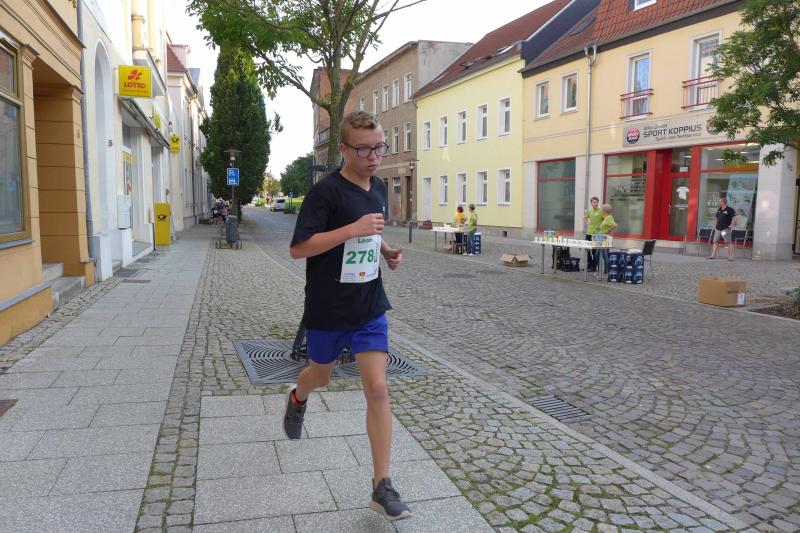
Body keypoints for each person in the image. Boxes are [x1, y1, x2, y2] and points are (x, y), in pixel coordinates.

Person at [286, 110, 410, 521]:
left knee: (378, 389)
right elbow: (298, 248)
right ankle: (298, 397)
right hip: (328, 307)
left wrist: (385, 251)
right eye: (364, 150)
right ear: (343, 149)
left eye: (379, 147)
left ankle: (382, 485)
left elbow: (371, 233)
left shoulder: (378, 187)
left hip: (368, 306)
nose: (374, 157)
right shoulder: (325, 193)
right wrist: (351, 230)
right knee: (319, 376)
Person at [584, 196, 603, 271]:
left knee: (594, 251)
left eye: (596, 202)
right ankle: (590, 264)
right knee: (587, 249)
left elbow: (605, 219)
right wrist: (586, 223)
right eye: (594, 202)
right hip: (589, 233)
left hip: (596, 234)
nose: (595, 203)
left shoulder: (601, 211)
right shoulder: (590, 211)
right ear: (591, 203)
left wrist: (601, 226)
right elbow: (585, 217)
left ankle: (594, 266)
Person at [598, 204, 618, 270]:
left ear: (604, 210)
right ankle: (605, 269)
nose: (601, 210)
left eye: (602, 209)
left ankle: (606, 270)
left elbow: (615, 225)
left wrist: (607, 231)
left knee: (604, 254)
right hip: (601, 238)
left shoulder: (608, 218)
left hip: (605, 239)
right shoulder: (606, 218)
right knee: (600, 254)